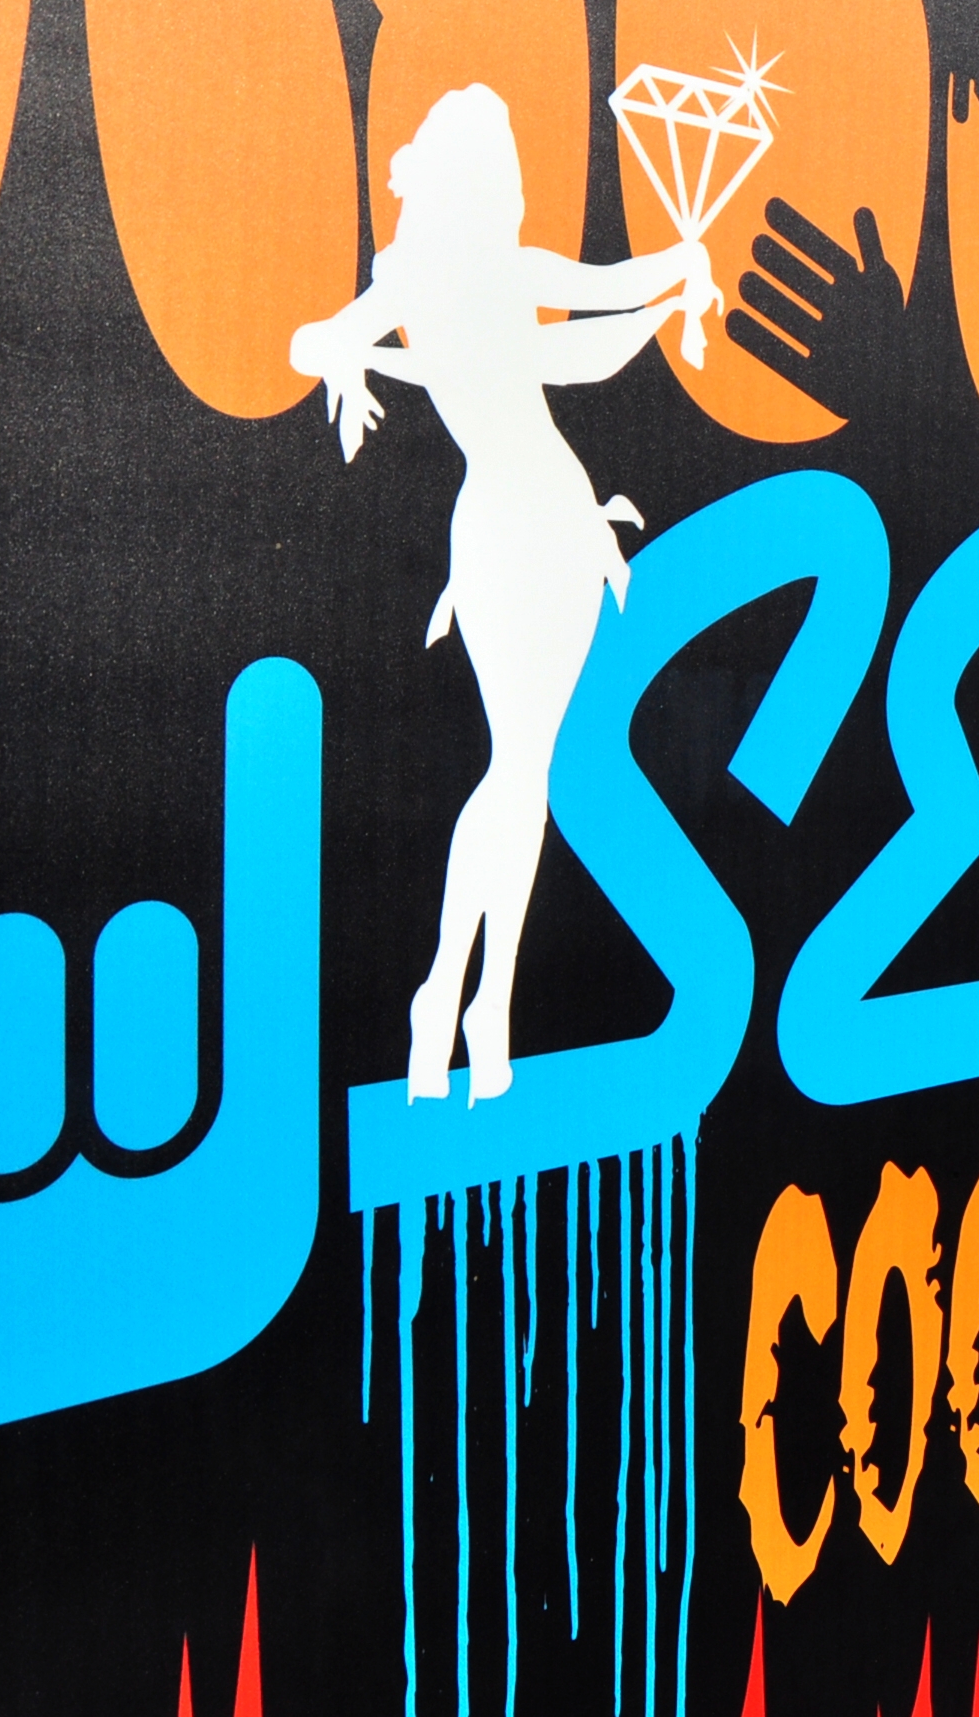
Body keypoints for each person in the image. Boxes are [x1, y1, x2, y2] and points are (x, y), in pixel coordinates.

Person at [288, 84, 722, 1102]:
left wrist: (682, 272)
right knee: (518, 770)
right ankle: (453, 991)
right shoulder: (429, 281)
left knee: (525, 774)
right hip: (514, 528)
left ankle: (478, 1003)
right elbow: (317, 340)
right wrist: (351, 353)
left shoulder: (488, 276)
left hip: (553, 526)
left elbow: (611, 296)